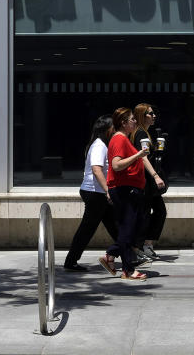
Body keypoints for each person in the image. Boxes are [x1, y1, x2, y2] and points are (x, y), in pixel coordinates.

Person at [99, 107, 150, 281]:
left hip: (127, 189)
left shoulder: (122, 139)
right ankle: (127, 270)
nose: (135, 122)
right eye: (132, 119)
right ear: (123, 122)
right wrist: (138, 155)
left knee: (132, 227)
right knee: (128, 229)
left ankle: (111, 255)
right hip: (124, 189)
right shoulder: (119, 139)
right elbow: (116, 165)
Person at [63, 115, 119, 272]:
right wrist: (108, 190)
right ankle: (71, 261)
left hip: (97, 192)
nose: (115, 131)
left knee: (115, 226)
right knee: (88, 229)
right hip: (95, 193)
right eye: (113, 128)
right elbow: (96, 170)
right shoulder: (99, 146)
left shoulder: (100, 144)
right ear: (106, 130)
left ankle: (131, 256)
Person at [132, 103, 166, 261]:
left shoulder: (146, 133)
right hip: (145, 181)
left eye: (154, 113)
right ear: (142, 116)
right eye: (150, 114)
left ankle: (146, 244)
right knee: (145, 214)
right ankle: (139, 247)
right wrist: (155, 175)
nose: (154, 116)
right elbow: (143, 157)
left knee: (157, 211)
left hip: (148, 181)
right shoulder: (140, 133)